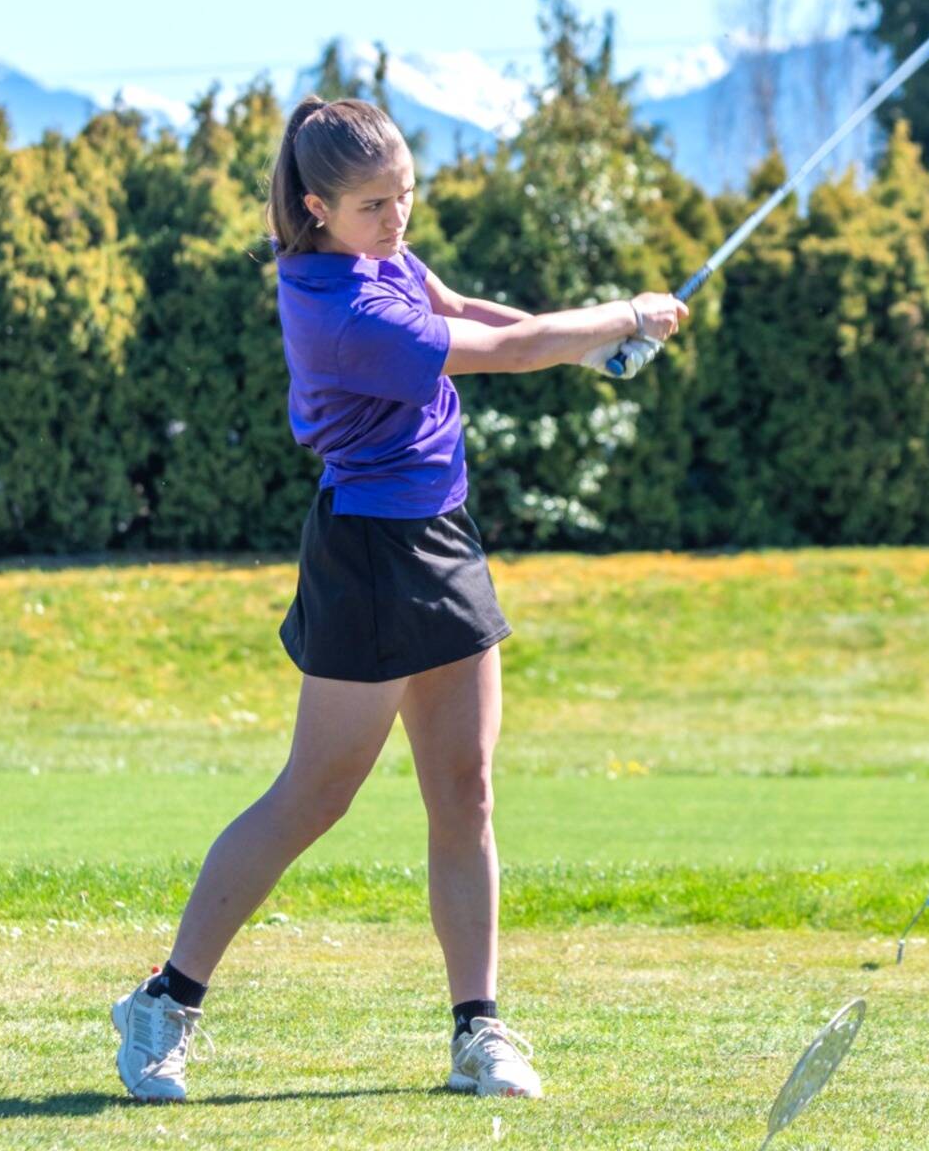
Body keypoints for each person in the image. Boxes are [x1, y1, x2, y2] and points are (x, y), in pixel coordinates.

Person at [109, 95, 688, 1103]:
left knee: (465, 789)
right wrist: (624, 318)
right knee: (314, 796)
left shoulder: (386, 264)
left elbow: (472, 313)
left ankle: (479, 1030)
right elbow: (506, 354)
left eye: (405, 196)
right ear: (318, 207)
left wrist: (591, 344)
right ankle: (164, 1000)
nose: (396, 219)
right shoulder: (340, 308)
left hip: (443, 536)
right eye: (375, 204)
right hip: (368, 552)